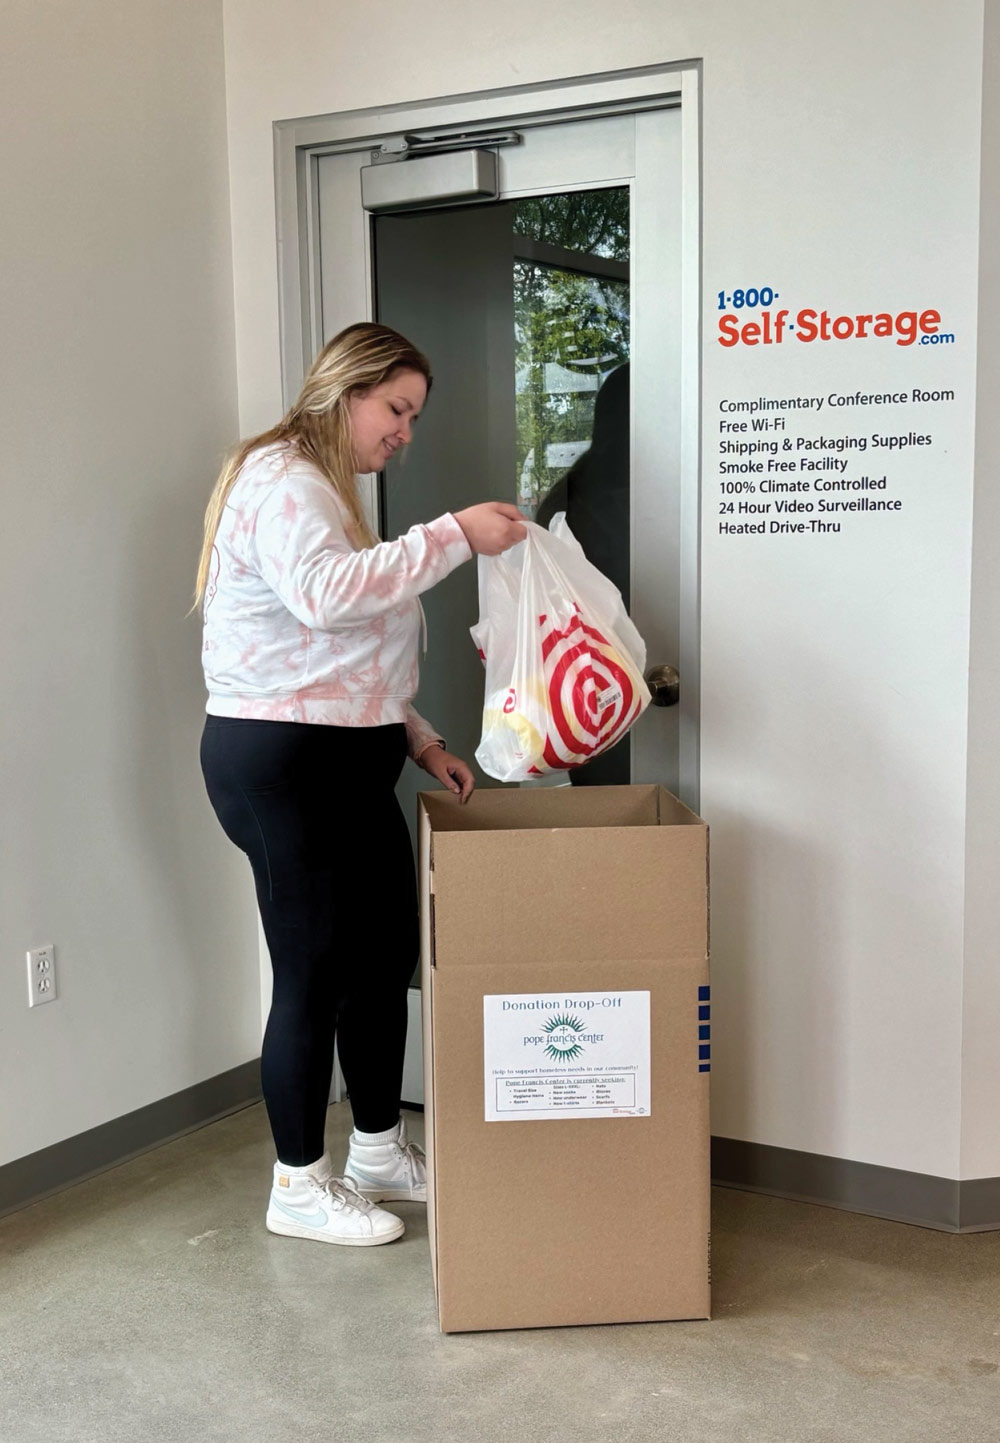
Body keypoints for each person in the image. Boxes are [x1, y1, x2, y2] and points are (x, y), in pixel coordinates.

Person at [195, 322, 525, 1247]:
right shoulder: (285, 481)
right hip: (281, 764)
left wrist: (419, 739)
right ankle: (298, 1183)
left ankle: (378, 1148)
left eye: (413, 416)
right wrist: (454, 532)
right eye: (398, 409)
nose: (405, 432)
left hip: (342, 756)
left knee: (382, 958)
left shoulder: (326, 493)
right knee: (313, 970)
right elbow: (328, 597)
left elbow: (342, 651)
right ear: (348, 391)